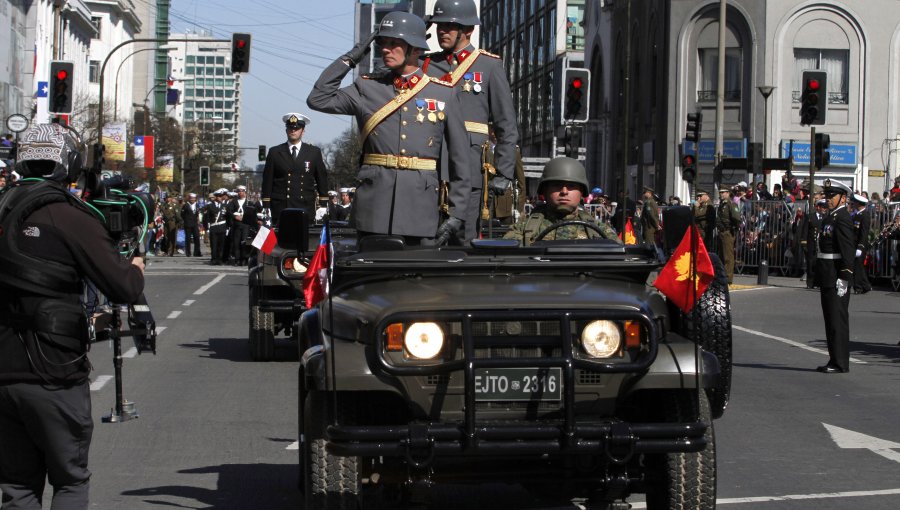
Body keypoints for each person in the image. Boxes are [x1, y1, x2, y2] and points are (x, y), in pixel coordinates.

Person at [0, 123, 145, 509]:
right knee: (69, 480)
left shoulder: (3, 206)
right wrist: (137, 263)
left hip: (4, 370)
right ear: (69, 164)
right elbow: (126, 287)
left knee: (15, 485)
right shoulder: (71, 217)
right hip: (53, 369)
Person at [307, 11, 470, 245]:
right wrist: (354, 55)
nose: (385, 49)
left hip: (420, 209)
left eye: (394, 44)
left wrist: (457, 213)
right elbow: (318, 98)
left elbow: (460, 160)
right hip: (374, 208)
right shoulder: (367, 88)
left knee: (418, 280)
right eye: (383, 43)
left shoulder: (443, 92)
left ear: (415, 49)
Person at [423, 0, 518, 241]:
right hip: (429, 164)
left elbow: (506, 124)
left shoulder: (489, 65)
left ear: (468, 30)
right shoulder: (426, 64)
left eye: (449, 26)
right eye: (438, 25)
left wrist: (504, 172)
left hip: (471, 165)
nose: (441, 31)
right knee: (426, 236)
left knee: (463, 238)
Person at [503, 157, 619, 245]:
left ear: (581, 192)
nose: (564, 191)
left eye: (571, 186)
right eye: (556, 185)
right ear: (545, 190)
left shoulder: (599, 231)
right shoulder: (524, 229)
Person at [816, 179, 855, 373]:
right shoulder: (830, 217)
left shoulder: (843, 218)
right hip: (827, 274)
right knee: (830, 319)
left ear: (843, 198)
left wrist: (845, 276)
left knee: (837, 320)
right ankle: (834, 359)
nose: (828, 199)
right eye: (827, 195)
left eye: (832, 196)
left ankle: (840, 362)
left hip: (836, 275)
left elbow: (847, 250)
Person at [261, 113, 328, 224]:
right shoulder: (275, 152)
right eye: (290, 128)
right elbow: (267, 181)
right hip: (281, 207)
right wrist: (266, 206)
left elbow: (322, 179)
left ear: (303, 131)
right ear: (286, 130)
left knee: (304, 240)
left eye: (297, 128)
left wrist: (323, 203)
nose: (293, 131)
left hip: (305, 206)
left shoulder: (313, 152)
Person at [716, 186, 741, 284]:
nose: (721, 194)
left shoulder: (731, 204)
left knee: (728, 256)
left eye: (723, 192)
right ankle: (722, 276)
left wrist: (733, 228)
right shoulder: (722, 204)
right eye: (720, 193)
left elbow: (736, 218)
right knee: (721, 255)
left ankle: (728, 277)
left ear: (728, 193)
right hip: (722, 232)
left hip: (728, 232)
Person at [849, 193, 872, 294]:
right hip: (854, 244)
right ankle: (866, 286)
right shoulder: (856, 215)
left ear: (859, 204)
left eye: (855, 203)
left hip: (860, 245)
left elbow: (864, 233)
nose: (853, 204)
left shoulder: (865, 215)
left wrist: (860, 247)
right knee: (857, 266)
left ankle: (858, 287)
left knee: (858, 266)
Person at [226, 185, 251, 265]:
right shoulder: (233, 202)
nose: (240, 193)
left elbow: (252, 212)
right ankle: (237, 259)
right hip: (236, 225)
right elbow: (228, 211)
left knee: (244, 242)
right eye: (239, 191)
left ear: (245, 192)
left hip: (245, 225)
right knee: (236, 243)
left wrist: (245, 217)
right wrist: (235, 216)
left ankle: (244, 259)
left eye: (242, 191)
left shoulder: (248, 202)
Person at [206, 188, 229, 265]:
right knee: (214, 244)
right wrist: (207, 228)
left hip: (222, 227)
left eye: (221, 196)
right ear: (216, 197)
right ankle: (213, 259)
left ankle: (220, 259)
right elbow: (207, 217)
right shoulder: (210, 206)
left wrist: (228, 227)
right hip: (214, 227)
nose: (220, 198)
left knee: (221, 245)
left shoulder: (225, 205)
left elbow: (228, 217)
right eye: (219, 196)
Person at [182, 192, 202, 257]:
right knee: (188, 239)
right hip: (188, 224)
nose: (192, 200)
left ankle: (197, 252)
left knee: (197, 238)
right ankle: (188, 253)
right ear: (189, 199)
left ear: (195, 199)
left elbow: (198, 213)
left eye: (193, 198)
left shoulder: (197, 205)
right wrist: (186, 220)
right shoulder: (186, 205)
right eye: (191, 198)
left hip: (195, 224)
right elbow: (182, 214)